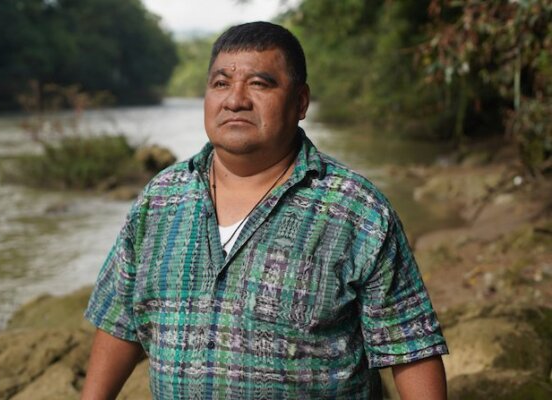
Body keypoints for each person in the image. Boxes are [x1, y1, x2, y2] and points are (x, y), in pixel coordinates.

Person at [81, 21, 448, 400]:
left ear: (301, 102)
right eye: (221, 83)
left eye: (260, 84)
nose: (235, 99)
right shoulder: (160, 200)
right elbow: (120, 320)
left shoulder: (355, 210)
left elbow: (411, 348)